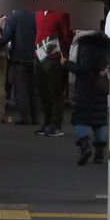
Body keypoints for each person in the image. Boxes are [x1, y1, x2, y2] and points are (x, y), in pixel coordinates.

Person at [64, 28, 110, 163]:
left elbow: (83, 68)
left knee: (79, 120)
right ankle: (100, 154)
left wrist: (66, 63)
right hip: (101, 87)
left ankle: (85, 146)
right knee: (98, 121)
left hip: (84, 89)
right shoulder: (105, 44)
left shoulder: (85, 45)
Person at [0, 8, 37, 124]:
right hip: (35, 57)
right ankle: (35, 117)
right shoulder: (35, 15)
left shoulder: (12, 18)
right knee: (33, 89)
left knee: (21, 89)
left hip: (19, 58)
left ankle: (25, 117)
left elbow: (5, 39)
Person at [34, 8, 73, 137]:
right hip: (39, 56)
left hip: (54, 57)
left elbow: (66, 35)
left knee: (55, 92)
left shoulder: (61, 13)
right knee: (42, 92)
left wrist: (64, 55)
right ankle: (47, 122)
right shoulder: (38, 13)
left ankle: (56, 125)